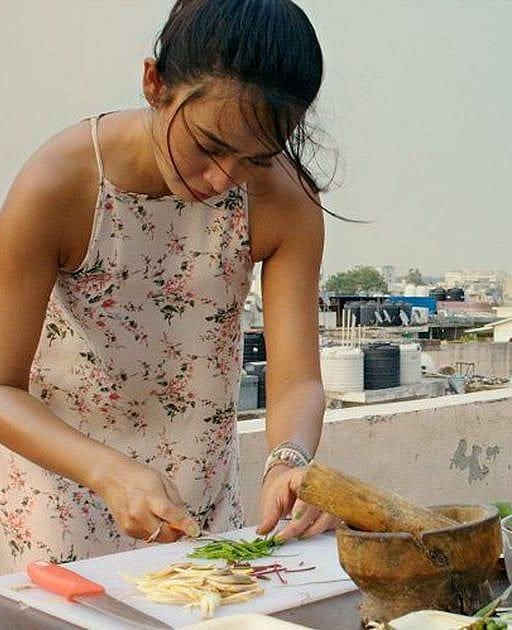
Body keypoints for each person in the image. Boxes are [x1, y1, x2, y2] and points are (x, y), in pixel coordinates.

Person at [0, 0, 340, 572]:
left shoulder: (285, 201)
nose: (223, 178)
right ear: (154, 83)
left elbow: (296, 380)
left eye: (256, 159)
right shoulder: (59, 185)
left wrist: (286, 461)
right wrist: (106, 471)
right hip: (61, 506)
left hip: (203, 506)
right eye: (209, 145)